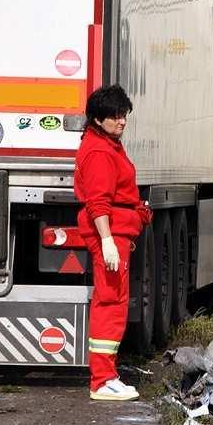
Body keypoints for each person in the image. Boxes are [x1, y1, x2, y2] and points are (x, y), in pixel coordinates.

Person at [74, 85, 152, 401]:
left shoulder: (109, 146)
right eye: (115, 116)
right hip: (111, 234)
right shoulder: (99, 152)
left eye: (124, 115)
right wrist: (106, 240)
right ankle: (102, 380)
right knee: (110, 301)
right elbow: (98, 201)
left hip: (118, 233)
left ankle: (107, 375)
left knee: (115, 300)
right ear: (97, 119)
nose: (122, 122)